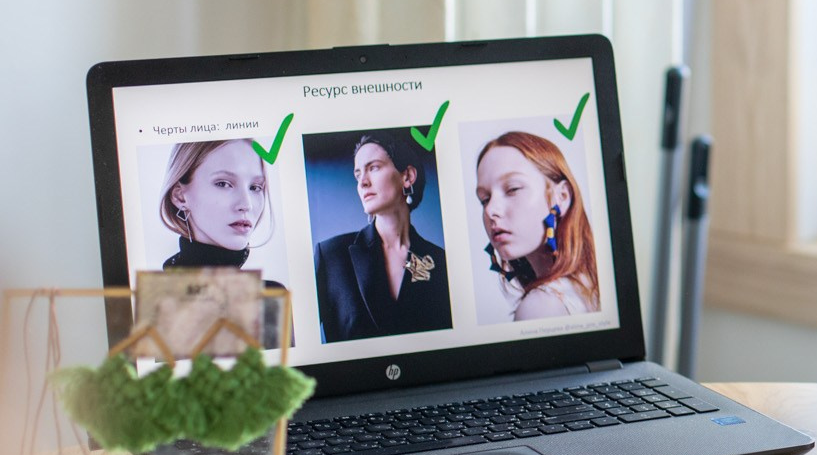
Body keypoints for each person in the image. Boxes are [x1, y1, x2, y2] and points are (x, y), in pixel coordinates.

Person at [313, 132, 452, 343]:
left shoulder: (442, 262)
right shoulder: (330, 256)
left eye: (373, 167)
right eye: (357, 174)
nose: (363, 183)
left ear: (407, 176)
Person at [474, 131, 601, 321]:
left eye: (512, 189)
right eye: (484, 199)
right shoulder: (591, 286)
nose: (490, 210)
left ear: (562, 197)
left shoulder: (540, 306)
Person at [158, 139, 283, 289]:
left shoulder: (270, 296)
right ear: (180, 196)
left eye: (255, 187)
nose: (246, 205)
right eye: (223, 184)